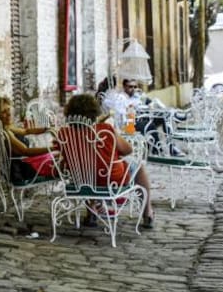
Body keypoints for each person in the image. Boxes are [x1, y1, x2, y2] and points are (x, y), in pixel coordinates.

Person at [62, 93, 155, 228]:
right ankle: (148, 213)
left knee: (87, 169)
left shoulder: (65, 133)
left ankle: (91, 211)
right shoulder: (104, 130)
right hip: (110, 179)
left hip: (79, 179)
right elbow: (128, 150)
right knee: (138, 166)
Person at [0, 95, 59, 184]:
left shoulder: (8, 127)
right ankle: (75, 188)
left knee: (60, 158)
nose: (9, 114)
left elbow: (26, 131)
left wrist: (46, 129)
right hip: (22, 171)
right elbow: (26, 151)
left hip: (26, 165)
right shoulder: (5, 133)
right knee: (65, 164)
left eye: (9, 109)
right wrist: (52, 148)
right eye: (4, 112)